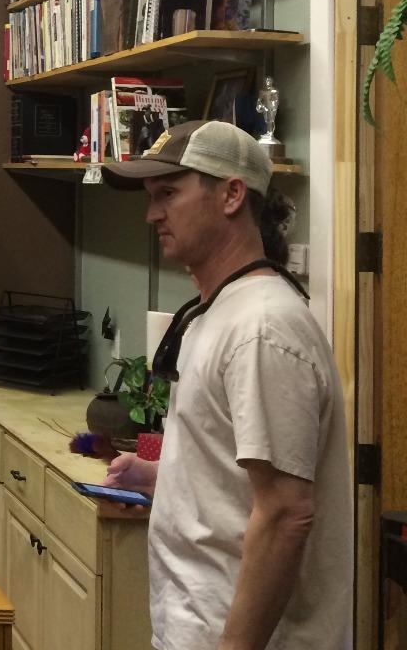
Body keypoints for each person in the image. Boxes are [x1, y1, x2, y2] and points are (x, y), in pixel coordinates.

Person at [100, 119, 350, 650]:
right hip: (194, 626)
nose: (152, 214)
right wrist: (165, 476)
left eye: (168, 193)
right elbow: (238, 469)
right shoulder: (218, 312)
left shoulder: (263, 328)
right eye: (150, 197)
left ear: (232, 194)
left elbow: (286, 512)